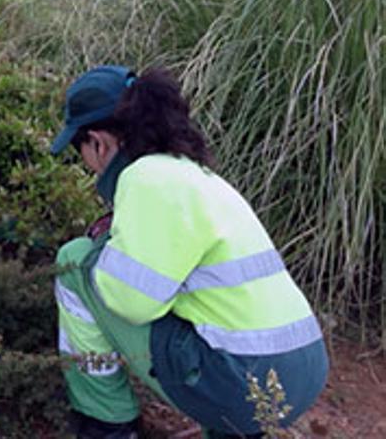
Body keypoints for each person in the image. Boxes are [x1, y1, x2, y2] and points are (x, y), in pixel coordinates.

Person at [50, 65, 327, 439]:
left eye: (78, 149)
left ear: (98, 142)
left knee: (74, 260)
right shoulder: (202, 178)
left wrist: (103, 248)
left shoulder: (144, 178)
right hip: (301, 371)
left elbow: (130, 302)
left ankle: (106, 424)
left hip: (243, 381)